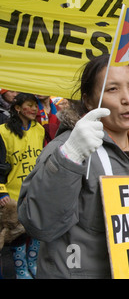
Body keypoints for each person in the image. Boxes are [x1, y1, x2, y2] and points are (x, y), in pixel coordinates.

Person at [17, 54, 129, 278]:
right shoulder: (66, 148)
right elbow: (39, 224)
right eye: (112, 89)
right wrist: (69, 158)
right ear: (89, 100)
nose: (127, 99)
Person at [0, 93, 44, 278]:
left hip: (36, 191)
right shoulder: (2, 131)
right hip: (13, 193)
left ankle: (32, 264)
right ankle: (21, 270)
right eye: (30, 105)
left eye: (36, 105)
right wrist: (1, 191)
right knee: (17, 233)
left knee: (36, 229)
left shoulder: (40, 130)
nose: (34, 109)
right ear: (18, 108)